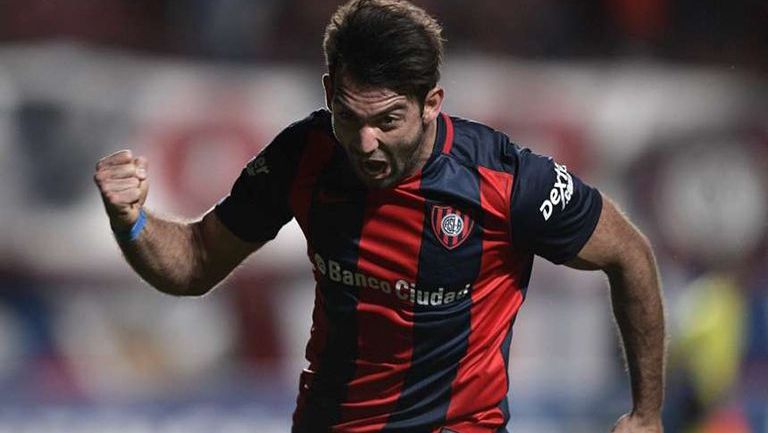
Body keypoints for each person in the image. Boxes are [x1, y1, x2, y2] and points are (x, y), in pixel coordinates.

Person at [93, 0, 665, 432]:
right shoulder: (303, 156)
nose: (365, 143)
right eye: (347, 117)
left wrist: (646, 413)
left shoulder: (507, 179)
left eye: (388, 121)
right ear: (327, 93)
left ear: (431, 104)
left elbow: (629, 255)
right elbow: (194, 263)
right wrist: (133, 221)